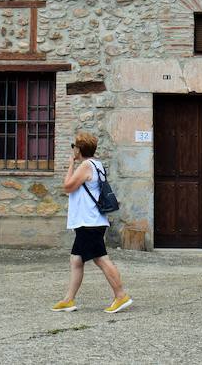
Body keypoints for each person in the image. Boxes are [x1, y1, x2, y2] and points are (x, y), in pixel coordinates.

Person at [52, 132, 132, 314]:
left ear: (79, 149)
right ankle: (68, 299)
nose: (73, 150)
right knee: (76, 260)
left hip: (89, 222)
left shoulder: (86, 165)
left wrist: (71, 163)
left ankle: (121, 296)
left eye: (75, 147)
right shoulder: (96, 164)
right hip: (91, 221)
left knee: (101, 259)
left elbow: (67, 187)